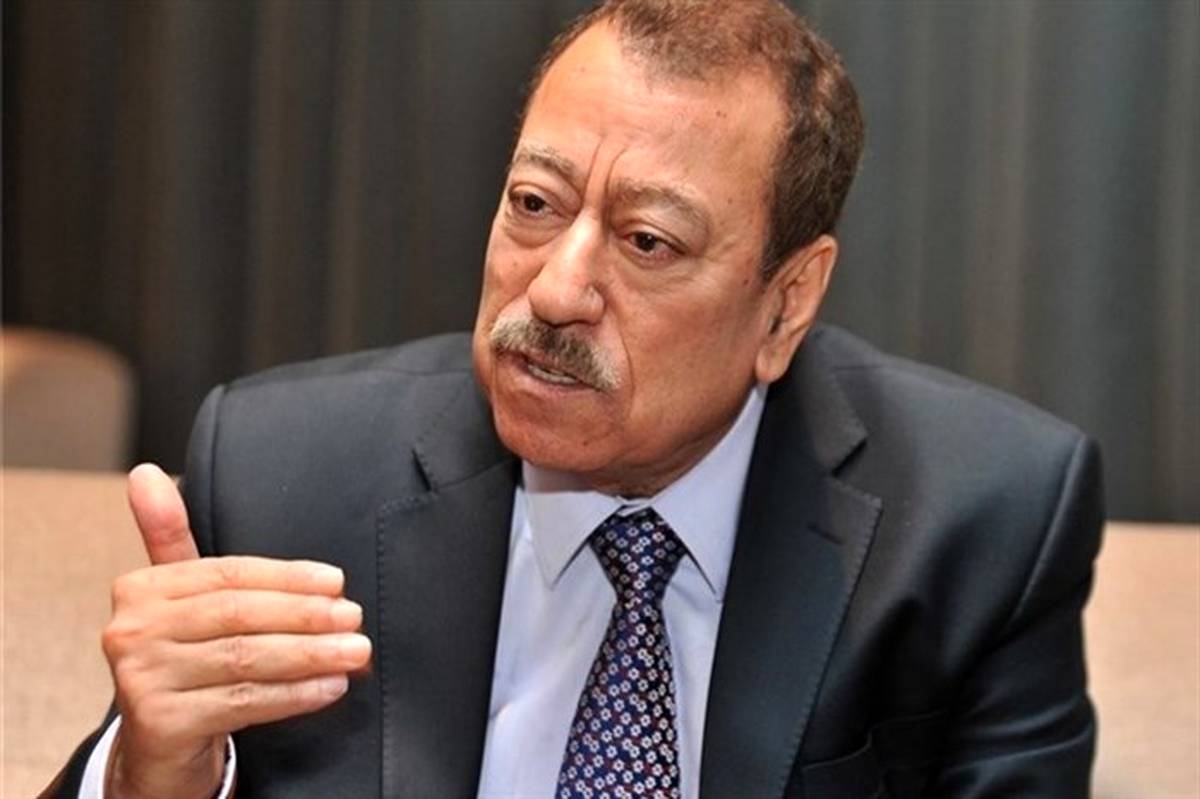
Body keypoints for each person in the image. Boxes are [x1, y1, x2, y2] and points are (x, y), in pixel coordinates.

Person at [53, 1, 1103, 797]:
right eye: (534, 203)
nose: (555, 290)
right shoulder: (281, 475)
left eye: (648, 241)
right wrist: (148, 777)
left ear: (787, 304)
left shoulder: (981, 523)